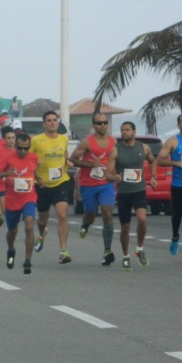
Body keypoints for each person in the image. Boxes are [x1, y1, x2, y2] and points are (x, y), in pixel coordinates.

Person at [105, 122, 155, 270]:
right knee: (125, 227)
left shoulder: (143, 147)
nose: (124, 133)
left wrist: (153, 176)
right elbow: (107, 174)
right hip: (124, 193)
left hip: (139, 190)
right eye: (122, 130)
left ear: (134, 131)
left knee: (142, 218)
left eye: (127, 130)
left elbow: (152, 160)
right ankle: (126, 256)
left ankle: (139, 249)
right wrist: (115, 178)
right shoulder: (115, 150)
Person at [69, 113, 117, 266]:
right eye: (99, 123)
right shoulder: (87, 142)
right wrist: (90, 165)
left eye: (104, 122)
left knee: (107, 213)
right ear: (93, 125)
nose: (102, 125)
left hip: (106, 184)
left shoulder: (113, 142)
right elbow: (72, 159)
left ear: (107, 124)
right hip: (88, 185)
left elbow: (117, 160)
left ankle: (107, 250)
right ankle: (85, 224)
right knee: (90, 215)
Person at [0, 134, 39, 274]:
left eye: (26, 148)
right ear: (15, 146)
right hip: (12, 200)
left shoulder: (34, 158)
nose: (23, 151)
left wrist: (39, 180)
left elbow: (35, 172)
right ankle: (11, 248)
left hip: (29, 198)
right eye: (20, 148)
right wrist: (5, 173)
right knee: (12, 231)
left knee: (29, 224)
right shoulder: (7, 158)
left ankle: (27, 260)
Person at [30, 111, 72, 263]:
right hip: (42, 185)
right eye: (49, 120)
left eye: (55, 120)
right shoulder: (36, 141)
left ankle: (63, 251)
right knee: (42, 220)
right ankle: (41, 234)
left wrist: (68, 161)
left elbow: (65, 154)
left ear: (58, 123)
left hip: (61, 182)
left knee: (62, 215)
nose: (52, 123)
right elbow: (28, 160)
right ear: (44, 124)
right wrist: (35, 171)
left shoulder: (64, 139)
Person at [157, 113, 182, 256]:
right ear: (179, 125)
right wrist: (176, 163)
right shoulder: (173, 141)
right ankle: (175, 236)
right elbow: (159, 160)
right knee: (177, 214)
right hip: (179, 185)